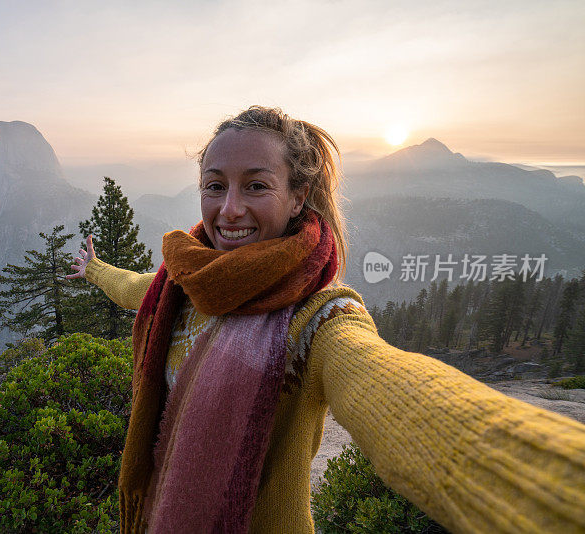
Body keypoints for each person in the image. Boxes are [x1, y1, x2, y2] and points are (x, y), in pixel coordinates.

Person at [67, 106, 585, 534]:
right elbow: (139, 290)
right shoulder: (182, 282)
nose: (228, 209)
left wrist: (551, 485)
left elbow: (391, 387)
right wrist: (93, 269)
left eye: (256, 186)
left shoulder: (321, 319)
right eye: (214, 185)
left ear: (297, 199)